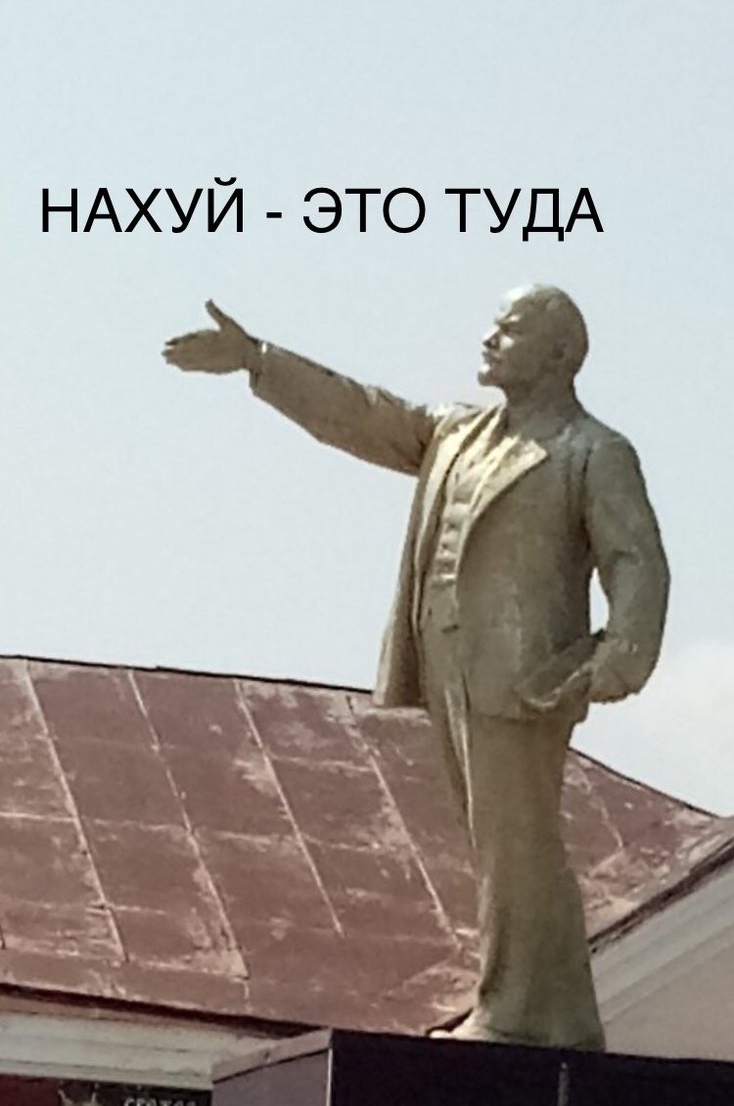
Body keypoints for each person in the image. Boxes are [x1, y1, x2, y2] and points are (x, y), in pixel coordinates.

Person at [163, 284, 669, 1051]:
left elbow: (636, 559)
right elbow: (362, 414)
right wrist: (259, 360)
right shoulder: (455, 432)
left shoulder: (591, 451)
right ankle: (550, 1013)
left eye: (511, 328)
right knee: (495, 842)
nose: (490, 337)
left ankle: (519, 1013)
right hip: (448, 659)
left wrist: (624, 650)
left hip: (527, 676)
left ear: (560, 353)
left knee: (517, 840)